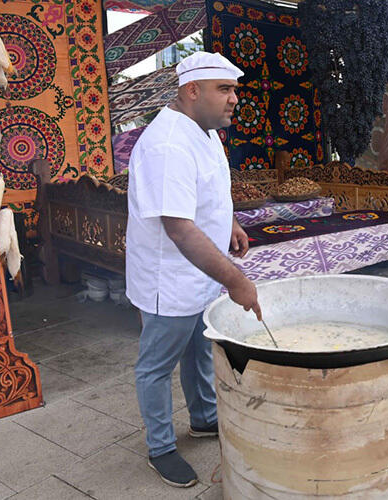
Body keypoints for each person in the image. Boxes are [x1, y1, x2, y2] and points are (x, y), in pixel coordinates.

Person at [126, 51, 262, 488]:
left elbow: (206, 196)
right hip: (171, 277)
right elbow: (180, 229)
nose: (234, 100)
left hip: (198, 272)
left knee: (199, 350)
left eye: (234, 90)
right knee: (157, 364)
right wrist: (237, 280)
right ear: (192, 91)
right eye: (225, 90)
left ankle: (203, 419)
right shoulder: (167, 144)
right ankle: (161, 447)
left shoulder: (204, 132)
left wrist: (230, 224)